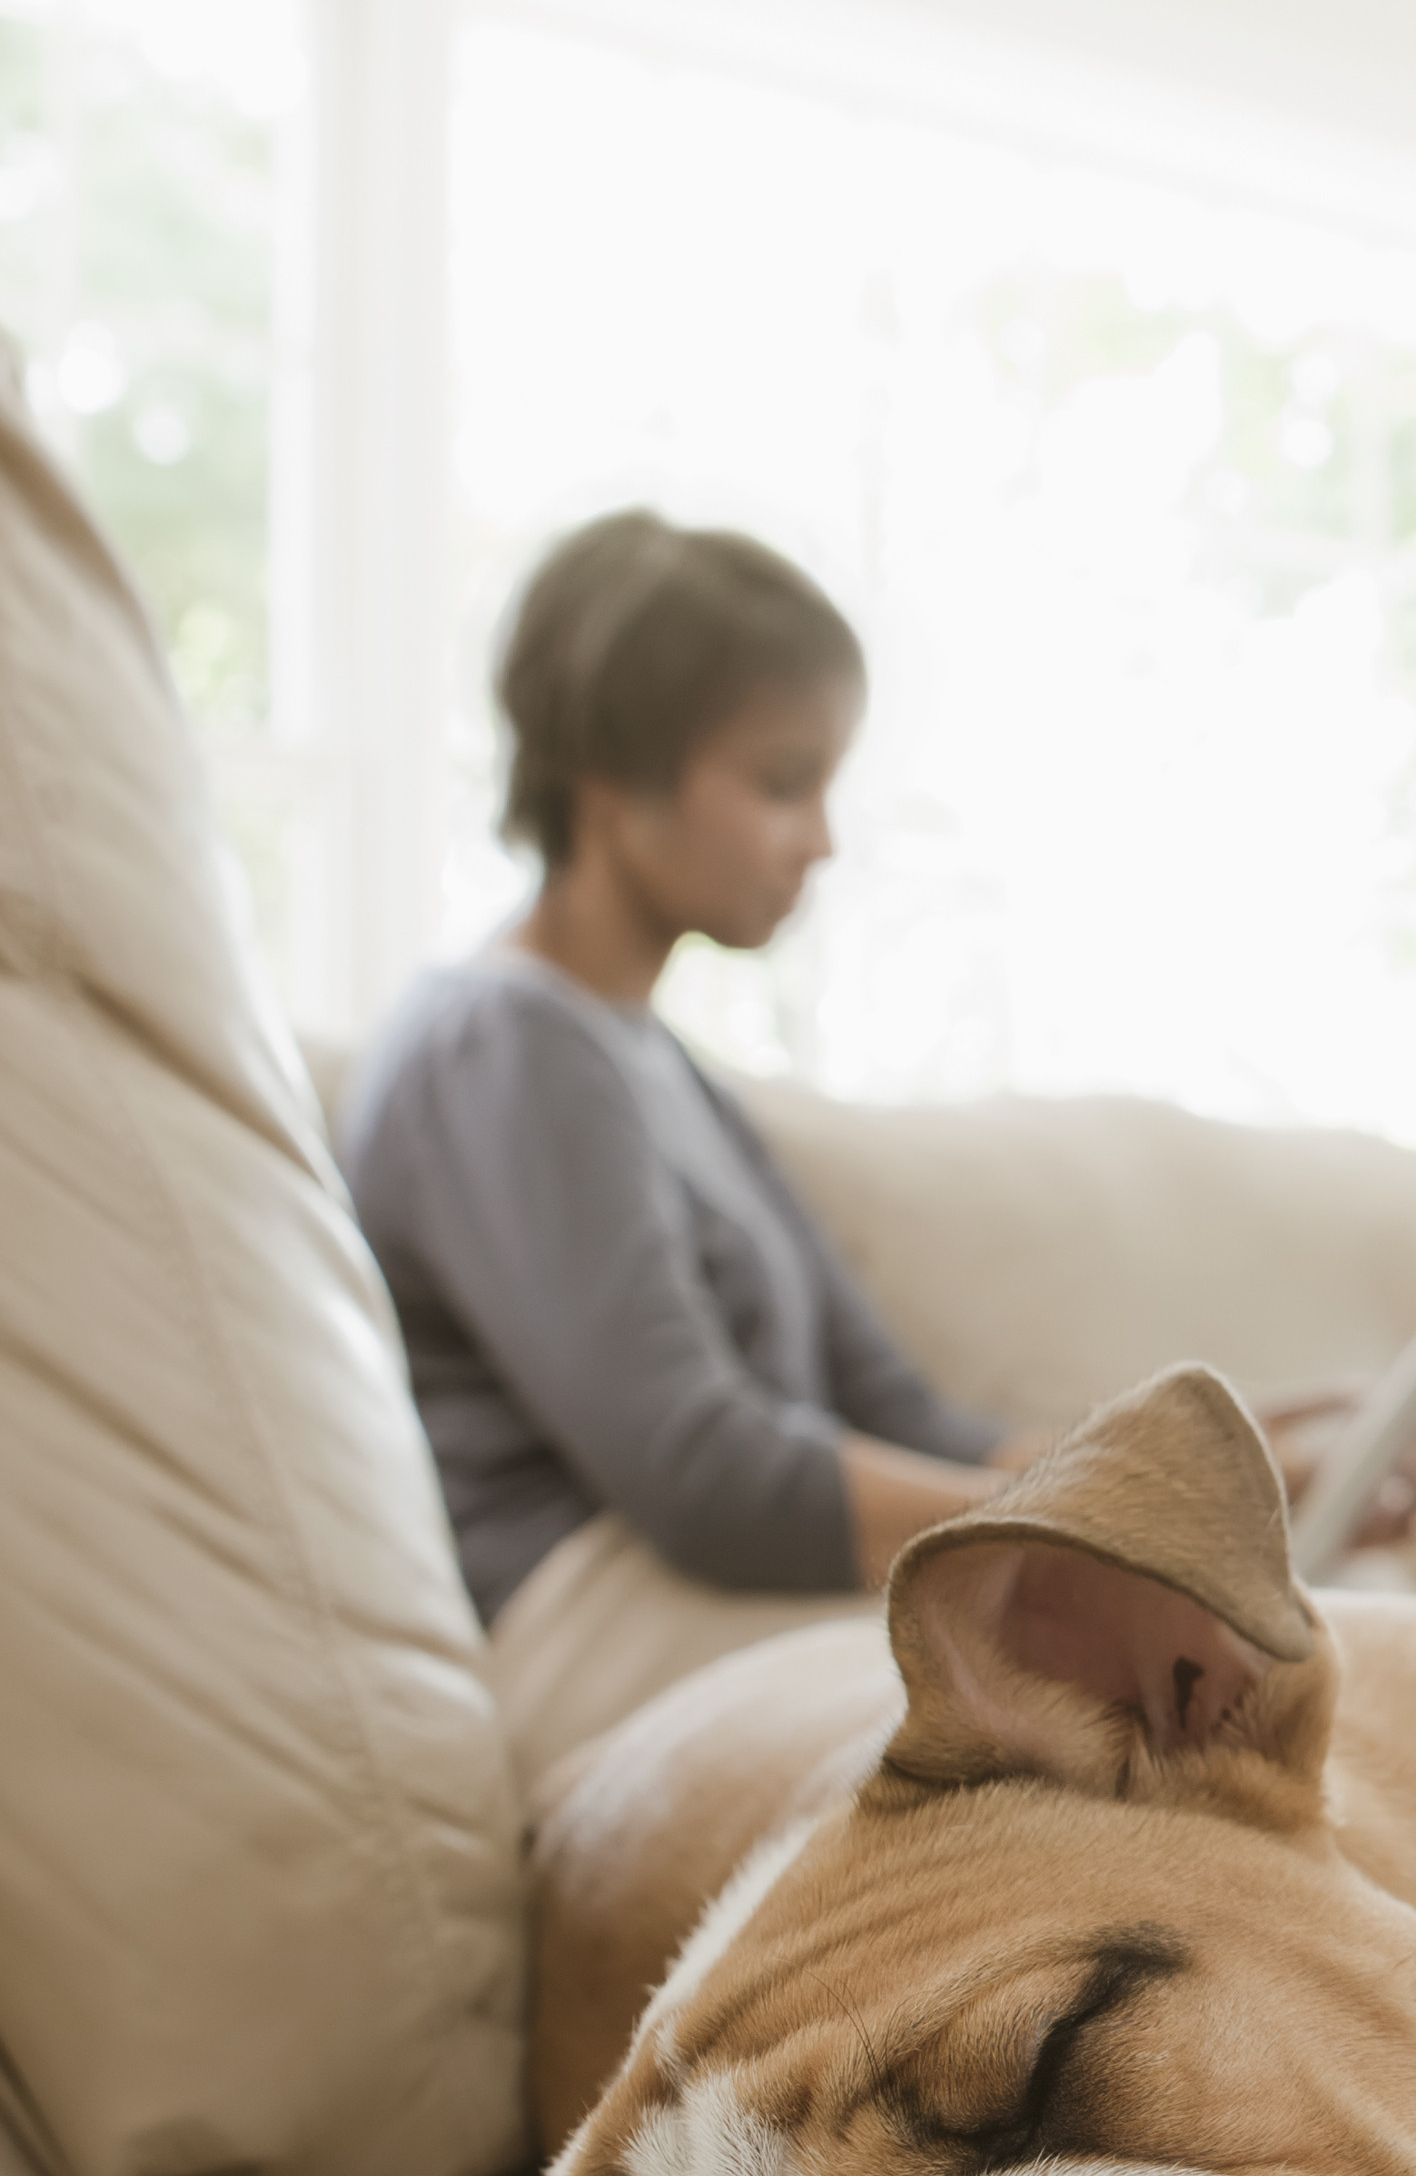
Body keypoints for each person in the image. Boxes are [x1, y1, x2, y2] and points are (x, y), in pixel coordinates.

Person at [342, 514, 1047, 1797]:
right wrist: (1067, 1544)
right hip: (589, 1615)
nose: (821, 839)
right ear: (613, 783)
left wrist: (1170, 1480)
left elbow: (895, 1409)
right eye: (783, 783)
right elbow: (697, 1471)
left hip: (702, 1602)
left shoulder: (664, 1074)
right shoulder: (503, 1046)